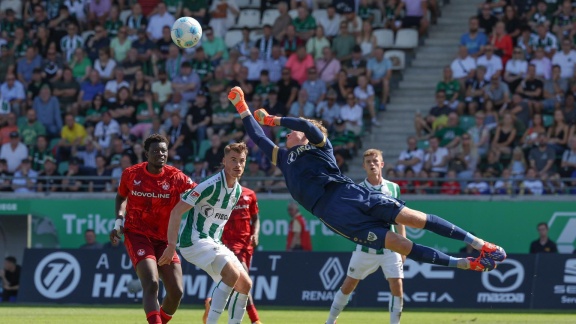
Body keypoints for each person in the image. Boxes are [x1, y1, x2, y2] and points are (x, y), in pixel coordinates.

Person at [228, 86, 506, 273]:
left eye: (289, 134)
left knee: (411, 218)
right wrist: (242, 108)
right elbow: (257, 138)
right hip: (332, 214)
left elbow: (304, 125)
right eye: (284, 134)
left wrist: (275, 120)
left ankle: (483, 245)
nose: (285, 136)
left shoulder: (318, 145)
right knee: (400, 246)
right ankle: (466, 264)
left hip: (348, 194)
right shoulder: (284, 159)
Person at [159, 143, 252, 324]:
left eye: (242, 161)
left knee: (245, 285)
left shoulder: (238, 190)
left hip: (214, 242)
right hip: (193, 241)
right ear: (224, 161)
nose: (238, 165)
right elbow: (176, 212)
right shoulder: (209, 185)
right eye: (233, 160)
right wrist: (171, 246)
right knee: (231, 275)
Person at [109, 134, 197, 324]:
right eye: (156, 151)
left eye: (164, 151)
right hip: (137, 234)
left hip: (165, 240)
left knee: (176, 291)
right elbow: (120, 197)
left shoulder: (177, 177)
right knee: (152, 283)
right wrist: (118, 222)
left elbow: (198, 193)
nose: (161, 154)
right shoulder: (131, 174)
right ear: (146, 153)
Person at [326, 149, 405, 324]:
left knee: (397, 286)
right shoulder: (358, 189)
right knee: (348, 285)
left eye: (375, 161)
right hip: (365, 248)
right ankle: (330, 321)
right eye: (368, 161)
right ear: (363, 166)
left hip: (390, 247)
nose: (372, 164)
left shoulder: (393, 188)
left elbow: (401, 218)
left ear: (382, 164)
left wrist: (404, 245)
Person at [202, 185, 263, 324]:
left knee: (239, 284)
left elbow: (256, 218)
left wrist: (256, 233)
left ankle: (212, 305)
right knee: (244, 278)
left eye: (241, 162)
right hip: (229, 244)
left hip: (247, 246)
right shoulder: (221, 195)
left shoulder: (250, 194)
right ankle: (255, 320)